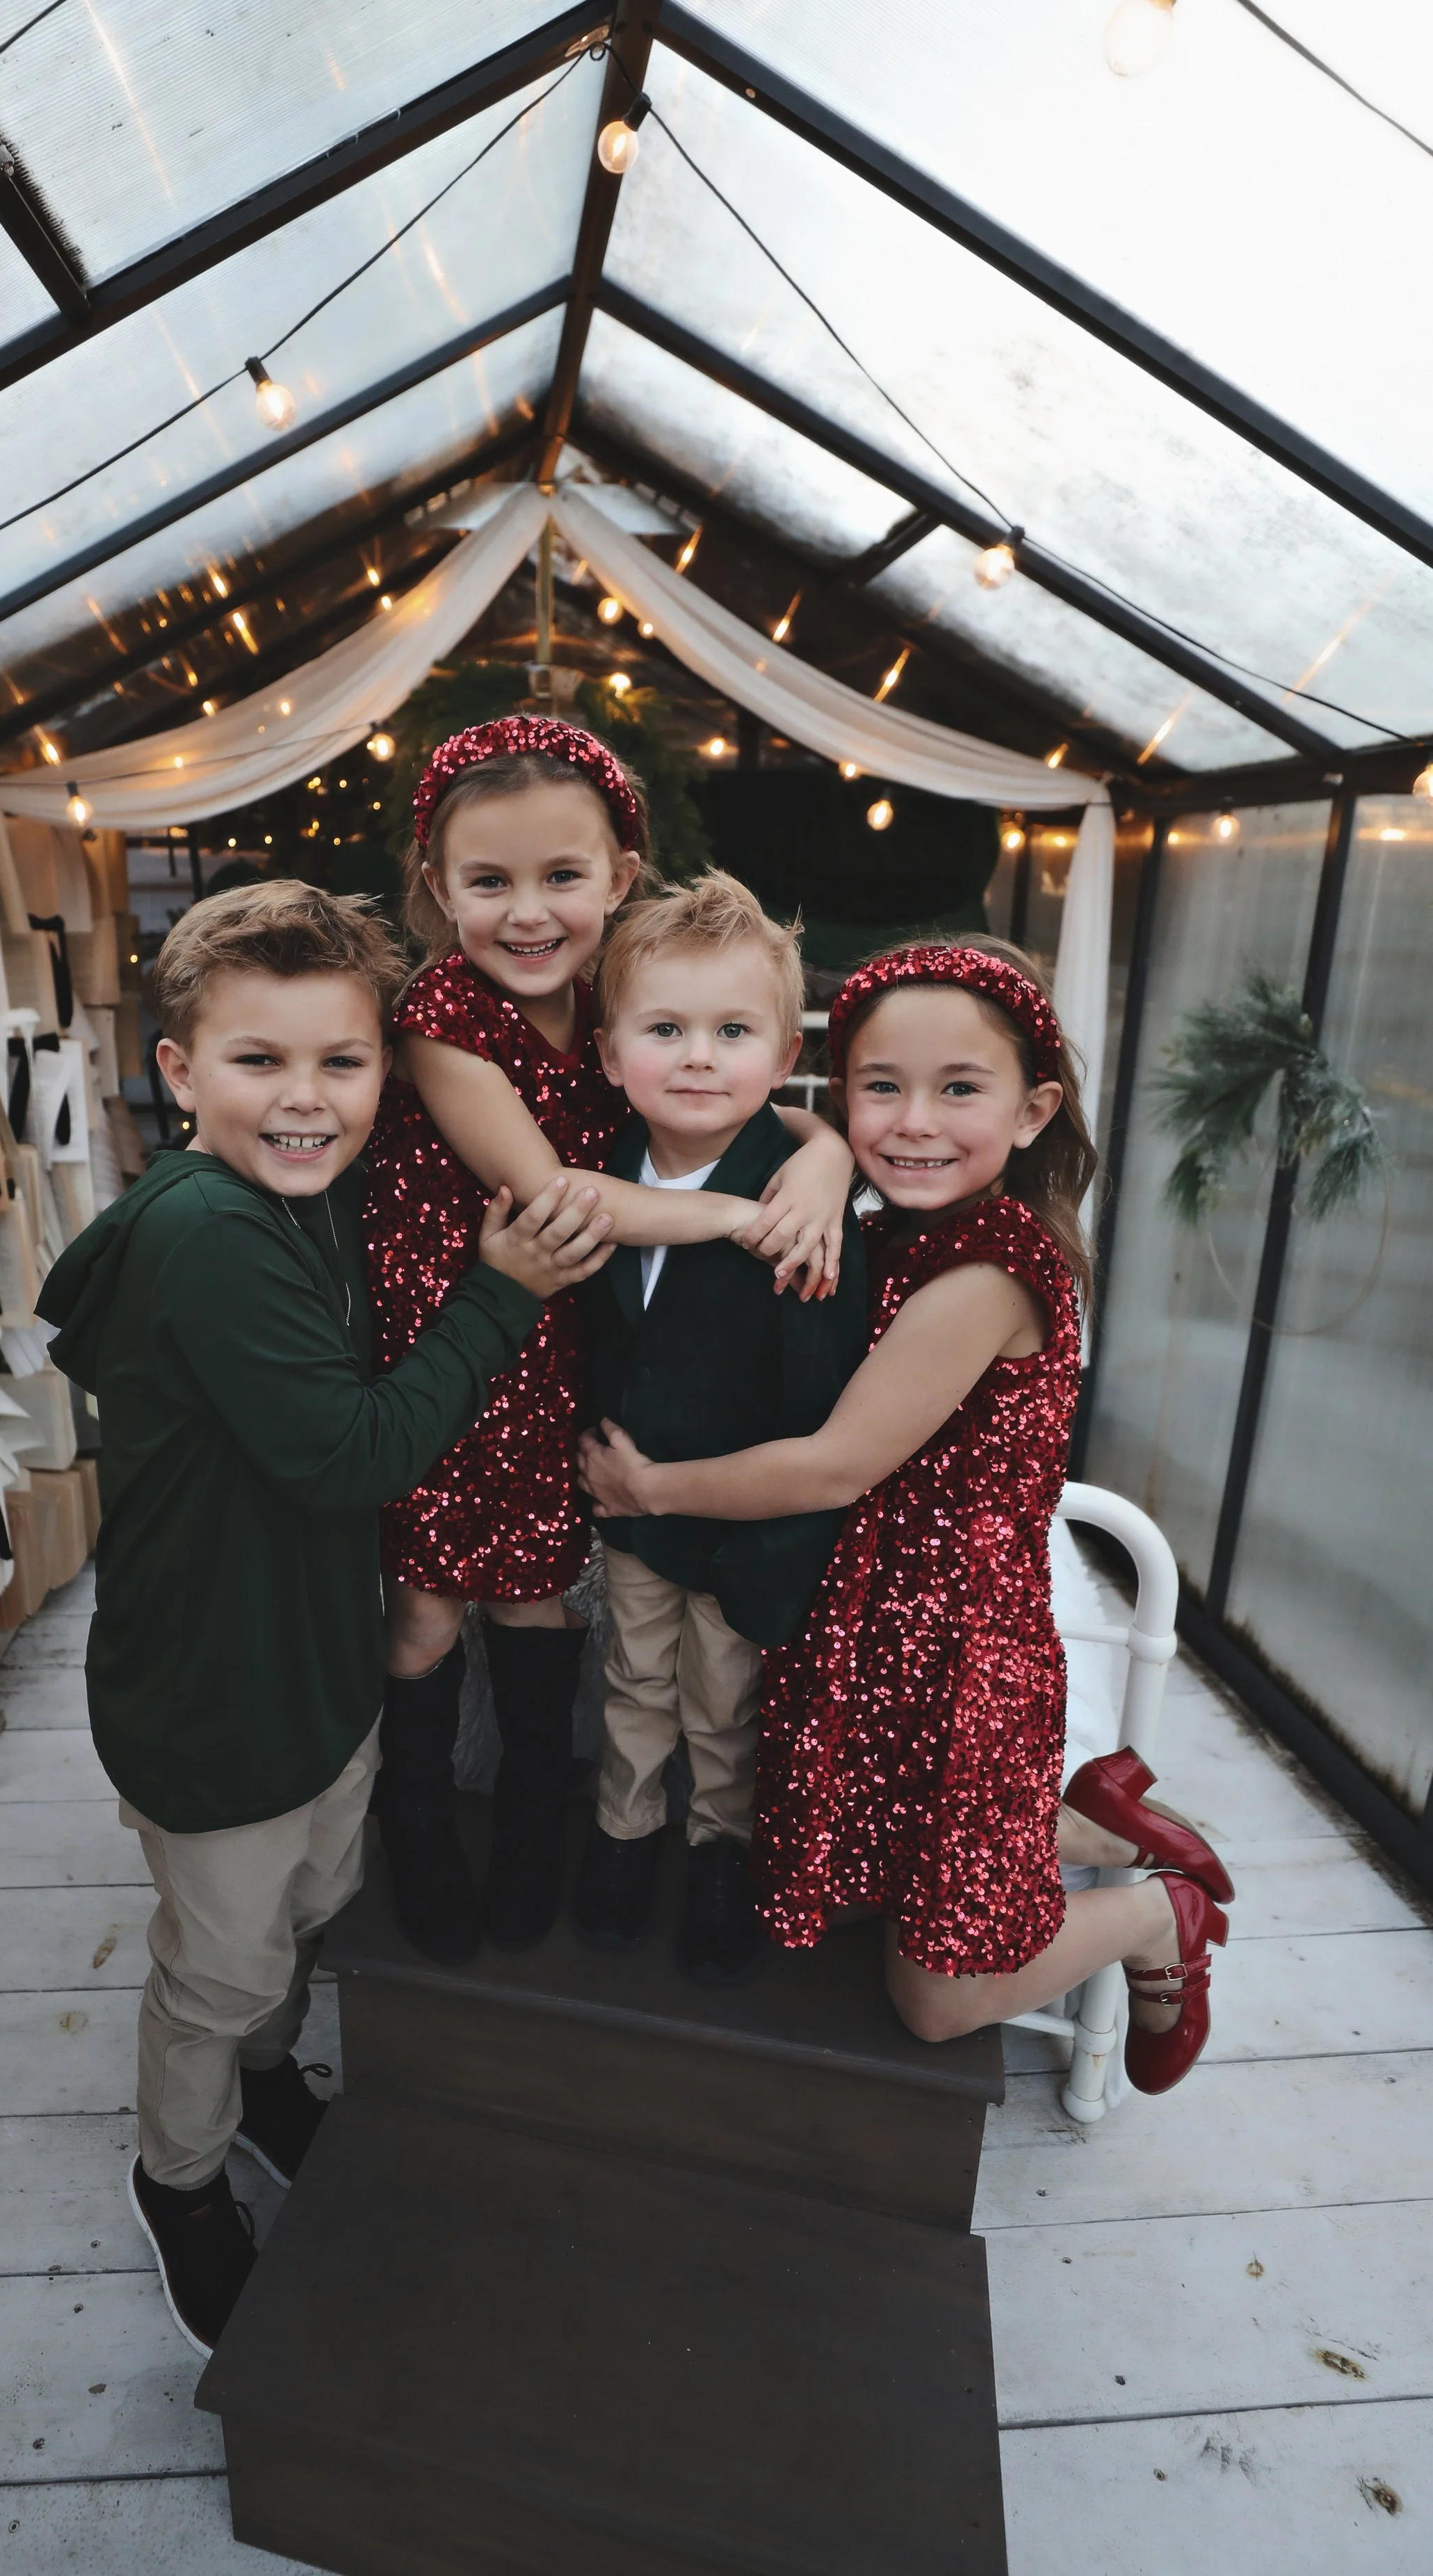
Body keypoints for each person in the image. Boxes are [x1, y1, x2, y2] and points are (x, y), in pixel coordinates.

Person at [38, 881, 613, 2356]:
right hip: (213, 1691)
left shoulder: (322, 1192)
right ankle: (177, 2177)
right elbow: (348, 1453)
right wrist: (499, 1301)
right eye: (258, 1063)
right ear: (175, 1073)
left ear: (385, 1071)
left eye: (339, 1064)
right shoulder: (212, 1235)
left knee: (302, 1910)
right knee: (217, 1959)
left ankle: (271, 2081)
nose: (305, 1101)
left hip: (314, 1659)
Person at [581, 939, 1234, 2094]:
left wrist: (653, 1490)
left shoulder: (984, 1273)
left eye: (959, 1089)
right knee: (839, 1852)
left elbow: (837, 1465)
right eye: (881, 1088)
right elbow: (753, 1123)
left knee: (937, 2001)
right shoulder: (893, 1226)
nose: (914, 1121)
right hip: (867, 1627)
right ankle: (1079, 1822)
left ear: (1034, 1111)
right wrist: (829, 1152)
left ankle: (1153, 1913)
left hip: (953, 1651)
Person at [362, 716, 854, 1963]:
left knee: (536, 1607)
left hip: (558, 1362)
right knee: (424, 1613)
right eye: (489, 883)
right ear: (437, 887)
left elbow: (755, 1089)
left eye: (561, 878)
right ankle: (417, 1830)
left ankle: (539, 1832)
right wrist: (752, 1211)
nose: (527, 913)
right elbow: (558, 1198)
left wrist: (833, 1151)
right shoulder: (441, 1012)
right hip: (450, 1347)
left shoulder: (619, 1006)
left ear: (620, 877)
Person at [572, 874, 868, 1983]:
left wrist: (784, 1544)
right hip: (627, 1501)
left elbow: (816, 1398)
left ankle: (716, 1850)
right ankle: (623, 1831)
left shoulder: (801, 1203)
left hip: (739, 1516)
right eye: (666, 1029)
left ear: (786, 1050)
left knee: (726, 1699)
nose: (699, 1056)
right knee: (633, 1676)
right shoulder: (599, 1165)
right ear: (611, 1054)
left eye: (732, 1031)